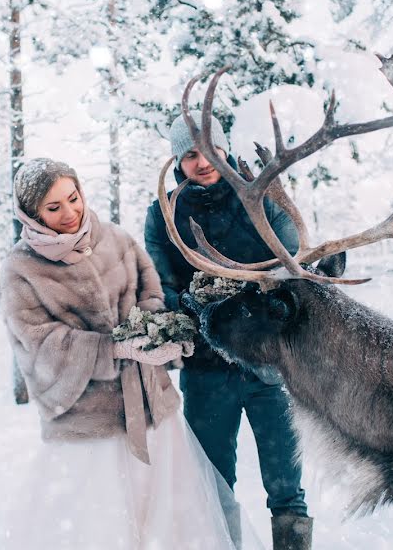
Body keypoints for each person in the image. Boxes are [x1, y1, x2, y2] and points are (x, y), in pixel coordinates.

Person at [0, 157, 264, 550]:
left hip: (152, 411)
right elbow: (37, 343)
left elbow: (151, 294)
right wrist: (112, 349)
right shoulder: (21, 269)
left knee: (170, 523)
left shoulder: (117, 240)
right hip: (89, 425)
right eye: (53, 208)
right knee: (101, 527)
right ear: (31, 214)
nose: (70, 213)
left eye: (73, 198)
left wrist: (161, 337)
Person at [144, 115, 314, 550]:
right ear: (177, 163)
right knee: (213, 487)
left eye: (208, 149)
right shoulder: (163, 213)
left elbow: (293, 262)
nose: (202, 162)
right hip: (207, 369)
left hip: (270, 367)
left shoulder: (260, 197)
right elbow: (162, 286)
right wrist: (194, 301)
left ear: (224, 147)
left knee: (287, 489)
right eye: (188, 155)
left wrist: (265, 300)